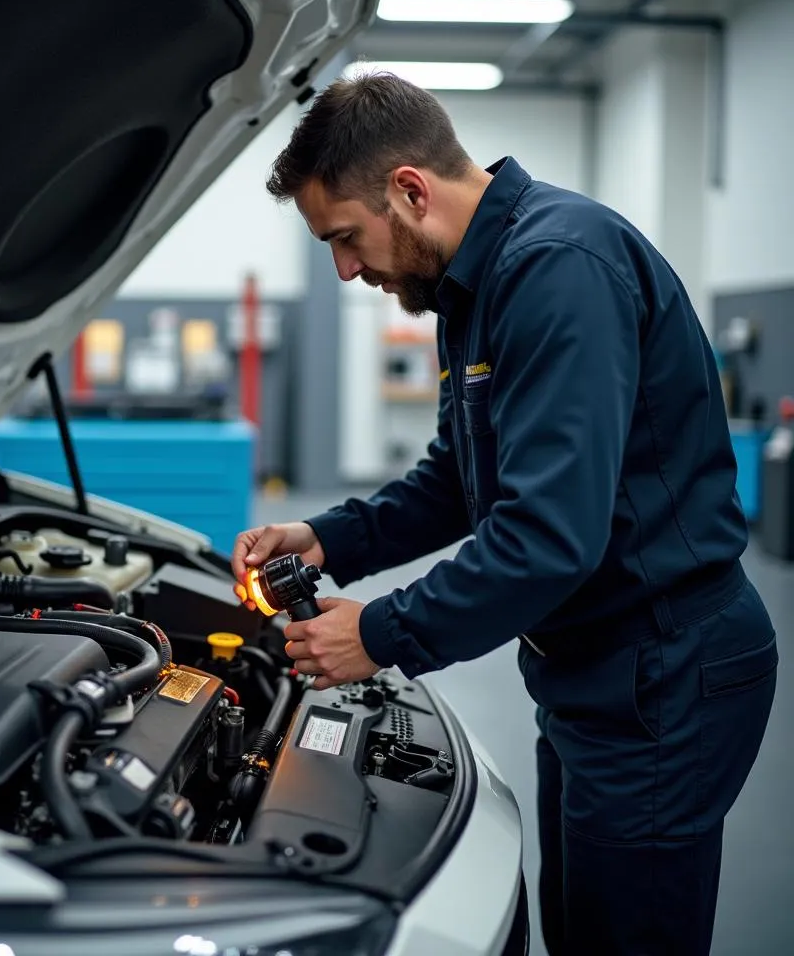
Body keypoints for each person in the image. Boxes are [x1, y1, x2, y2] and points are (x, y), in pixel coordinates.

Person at [230, 72, 778, 956]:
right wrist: (327, 539)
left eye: (345, 237)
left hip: (664, 671)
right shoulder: (469, 290)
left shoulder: (558, 269)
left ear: (408, 190)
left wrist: (382, 632)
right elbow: (460, 478)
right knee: (580, 923)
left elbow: (548, 537)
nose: (343, 268)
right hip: (593, 668)